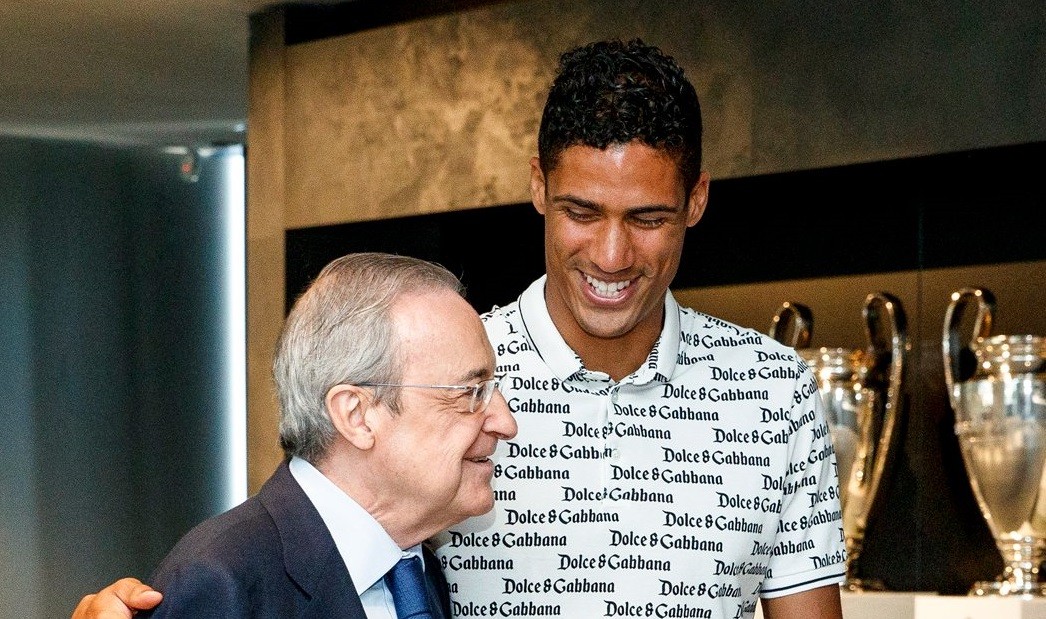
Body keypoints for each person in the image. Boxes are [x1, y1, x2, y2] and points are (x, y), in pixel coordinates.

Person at [75, 39, 844, 619]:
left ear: (699, 198)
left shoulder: (772, 391)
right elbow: (306, 539)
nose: (612, 254)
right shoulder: (441, 369)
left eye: (649, 218)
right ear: (537, 184)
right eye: (582, 212)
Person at [73, 252, 517, 618]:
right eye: (471, 392)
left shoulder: (413, 569)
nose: (505, 421)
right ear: (358, 415)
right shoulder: (222, 584)